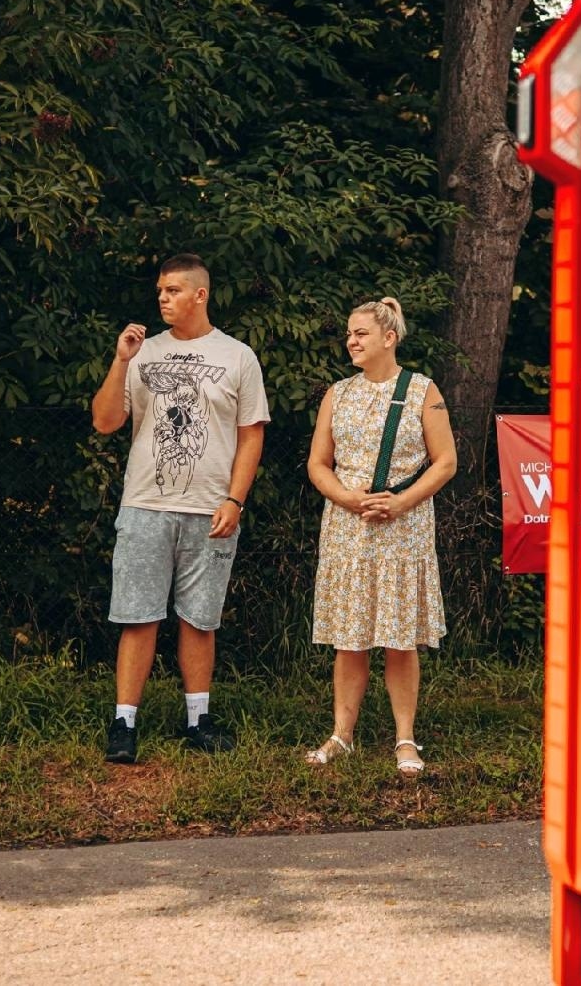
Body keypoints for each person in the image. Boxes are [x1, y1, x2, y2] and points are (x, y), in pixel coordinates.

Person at [90, 254, 269, 764]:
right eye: (160, 291)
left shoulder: (238, 357)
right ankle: (124, 724)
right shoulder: (142, 352)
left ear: (200, 294)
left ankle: (198, 721)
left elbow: (251, 435)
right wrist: (121, 360)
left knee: (200, 620)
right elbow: (105, 422)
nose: (163, 298)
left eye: (172, 290)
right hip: (146, 502)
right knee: (138, 616)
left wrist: (235, 499)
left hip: (210, 508)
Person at [304, 297, 456, 775]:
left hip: (402, 530)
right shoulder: (337, 393)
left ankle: (405, 739)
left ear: (389, 338)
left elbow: (446, 461)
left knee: (399, 638)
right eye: (349, 333)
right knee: (349, 638)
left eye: (361, 333)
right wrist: (347, 498)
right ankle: (341, 735)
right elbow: (318, 464)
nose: (351, 341)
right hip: (348, 529)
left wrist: (401, 502)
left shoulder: (423, 390)